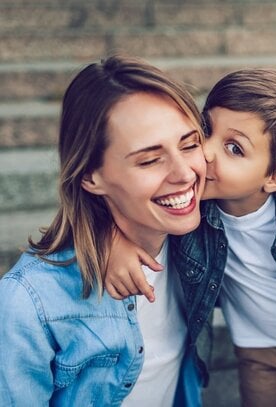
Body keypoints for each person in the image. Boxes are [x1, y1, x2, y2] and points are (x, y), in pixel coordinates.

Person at [106, 68, 276, 407]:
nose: (206, 152)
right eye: (206, 129)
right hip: (257, 352)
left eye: (234, 148)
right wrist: (113, 239)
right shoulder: (187, 211)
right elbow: (125, 200)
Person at [0, 55, 208, 406]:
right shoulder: (28, 302)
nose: (185, 173)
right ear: (90, 176)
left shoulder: (205, 237)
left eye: (189, 144)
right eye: (149, 159)